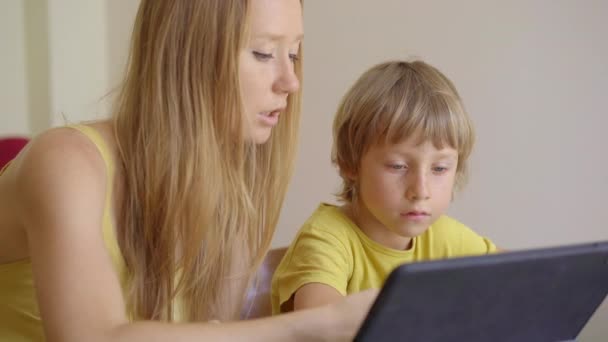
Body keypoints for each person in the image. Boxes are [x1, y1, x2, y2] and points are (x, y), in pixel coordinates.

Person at [0, 1, 377, 341]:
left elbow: (219, 325)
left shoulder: (223, 188)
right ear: (189, 57)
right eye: (264, 53)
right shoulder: (66, 163)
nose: (290, 81)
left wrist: (350, 259)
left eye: (293, 53)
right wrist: (314, 326)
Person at [271, 60, 500, 314]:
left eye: (439, 169)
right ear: (350, 163)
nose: (421, 190)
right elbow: (322, 326)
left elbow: (525, 279)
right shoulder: (326, 239)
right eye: (398, 166)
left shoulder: (443, 236)